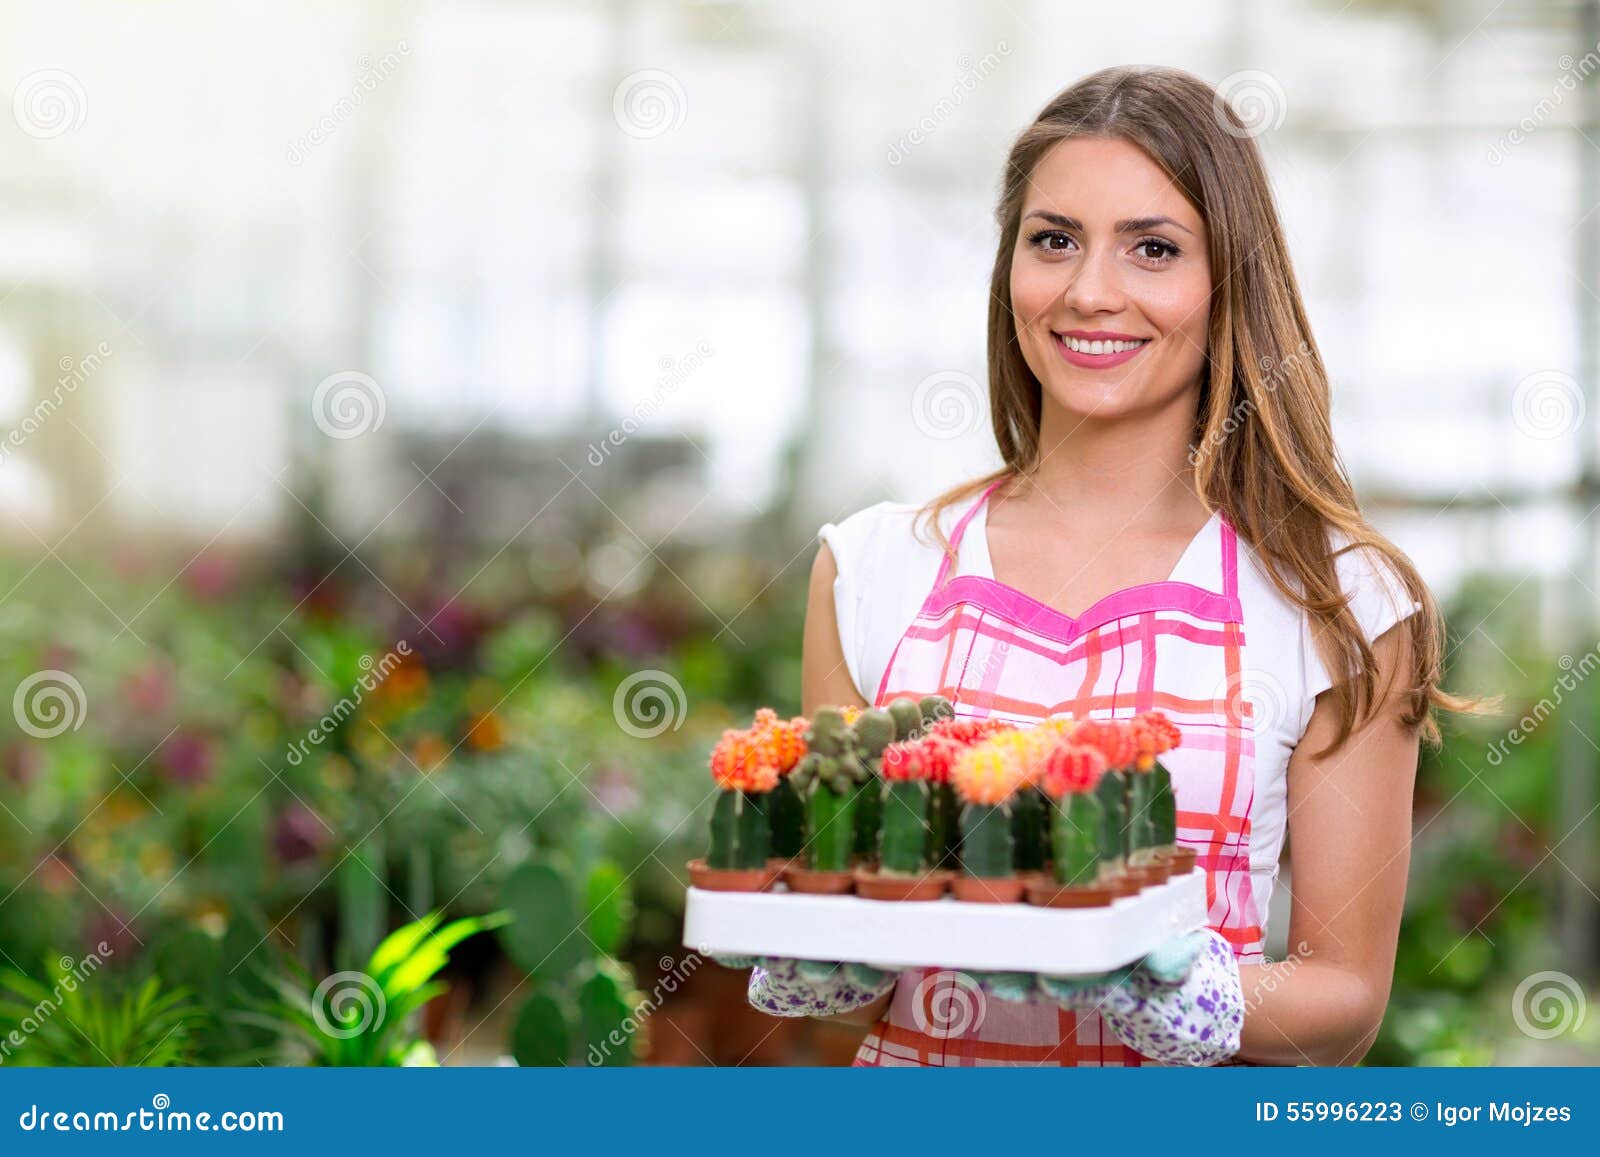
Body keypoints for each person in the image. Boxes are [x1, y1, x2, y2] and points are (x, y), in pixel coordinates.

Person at [733, 64, 1488, 1067]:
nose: (1091, 291)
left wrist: (1146, 975)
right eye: (1054, 240)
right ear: (1011, 268)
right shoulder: (875, 566)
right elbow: (846, 935)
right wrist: (813, 942)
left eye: (1154, 248)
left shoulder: (1336, 596)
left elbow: (1344, 998)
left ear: (1228, 281)